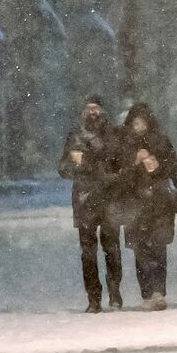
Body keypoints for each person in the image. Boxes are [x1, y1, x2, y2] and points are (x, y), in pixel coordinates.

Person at [58, 95, 126, 313]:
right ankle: (94, 299)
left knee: (112, 249)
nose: (92, 112)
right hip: (84, 199)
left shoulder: (113, 134)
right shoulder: (75, 135)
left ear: (103, 111)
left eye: (96, 108)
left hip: (109, 198)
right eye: (88, 108)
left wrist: (104, 171)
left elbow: (119, 163)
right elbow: (62, 168)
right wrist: (73, 163)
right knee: (87, 253)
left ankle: (114, 292)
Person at [120, 103, 177, 311]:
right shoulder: (125, 144)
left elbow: (174, 166)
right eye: (135, 123)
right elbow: (119, 175)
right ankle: (146, 292)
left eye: (142, 122)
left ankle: (158, 292)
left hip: (159, 202)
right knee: (140, 250)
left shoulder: (161, 141)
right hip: (134, 204)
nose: (139, 126)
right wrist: (134, 163)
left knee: (159, 247)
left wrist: (158, 166)